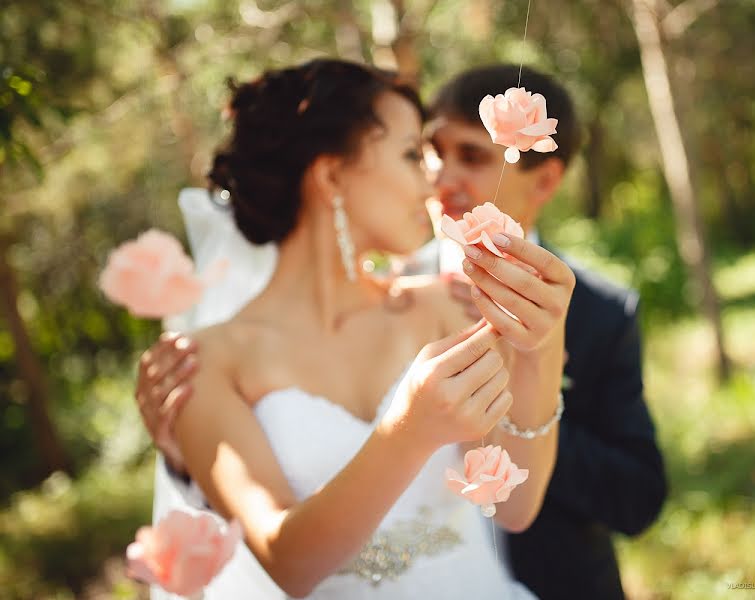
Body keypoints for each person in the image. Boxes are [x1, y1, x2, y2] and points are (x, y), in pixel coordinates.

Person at [140, 64, 666, 599]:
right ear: (330, 176)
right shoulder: (200, 363)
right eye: (416, 154)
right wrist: (410, 430)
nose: (433, 181)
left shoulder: (444, 307)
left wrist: (542, 348)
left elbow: (514, 505)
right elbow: (285, 565)